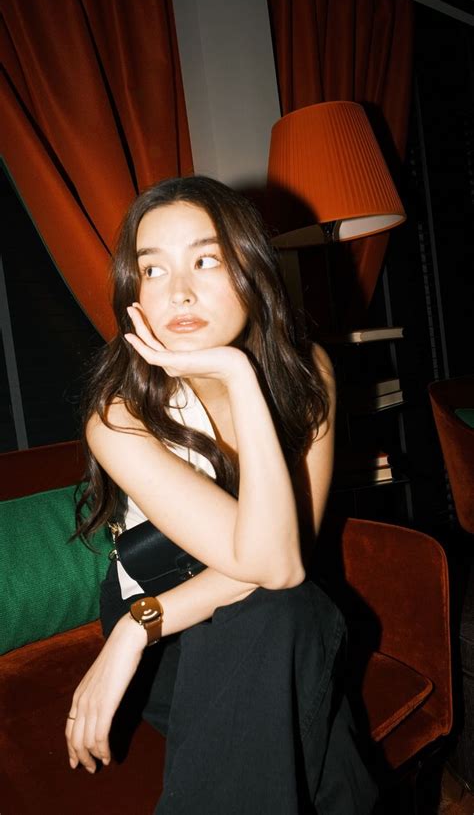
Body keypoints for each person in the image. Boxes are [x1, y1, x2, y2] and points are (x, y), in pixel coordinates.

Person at [65, 176, 377, 814]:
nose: (178, 291)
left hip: (188, 616)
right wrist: (139, 623)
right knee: (289, 613)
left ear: (252, 270)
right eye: (152, 270)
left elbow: (280, 561)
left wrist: (238, 376)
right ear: (133, 294)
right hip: (166, 622)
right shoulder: (119, 415)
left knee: (282, 610)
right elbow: (277, 567)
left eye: (206, 260)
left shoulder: (307, 370)